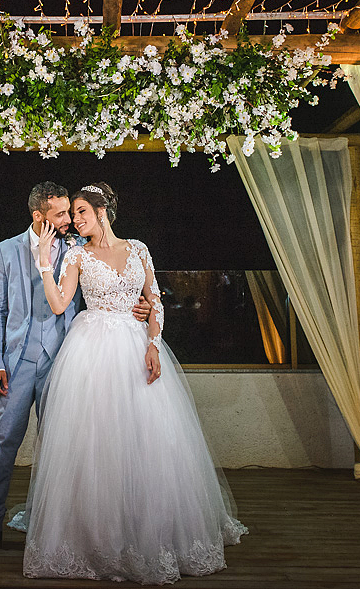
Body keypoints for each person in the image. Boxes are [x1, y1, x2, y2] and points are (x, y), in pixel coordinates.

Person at [14, 182, 247, 584]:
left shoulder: (138, 249)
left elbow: (154, 300)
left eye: (82, 212)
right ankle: (98, 537)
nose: (74, 220)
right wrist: (43, 263)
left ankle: (148, 529)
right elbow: (57, 304)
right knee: (96, 443)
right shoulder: (76, 254)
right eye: (73, 213)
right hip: (92, 349)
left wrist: (154, 344)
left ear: (102, 212)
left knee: (149, 440)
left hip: (137, 346)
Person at [0, 181, 150, 557]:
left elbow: (112, 285)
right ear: (38, 215)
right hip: (16, 364)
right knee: (2, 443)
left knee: (62, 446)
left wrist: (139, 309)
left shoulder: (77, 248)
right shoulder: (8, 250)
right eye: (61, 214)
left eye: (71, 212)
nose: (69, 220)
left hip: (64, 361)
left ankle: (51, 525)